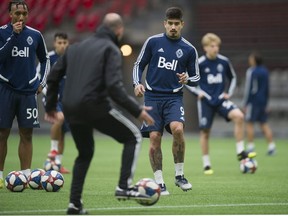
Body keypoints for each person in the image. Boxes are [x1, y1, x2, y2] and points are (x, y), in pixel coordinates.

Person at [44, 13, 154, 214]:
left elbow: (53, 76)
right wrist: (137, 110)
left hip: (70, 107)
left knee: (84, 154)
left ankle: (74, 205)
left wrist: (50, 106)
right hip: (93, 105)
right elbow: (114, 87)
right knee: (134, 137)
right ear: (119, 30)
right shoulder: (110, 49)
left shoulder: (75, 48)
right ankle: (123, 187)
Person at [132, 7, 200, 195]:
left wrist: (187, 79)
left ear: (182, 25)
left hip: (173, 97)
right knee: (155, 137)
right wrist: (137, 83)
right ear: (165, 23)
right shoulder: (153, 42)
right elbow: (139, 64)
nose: (173, 27)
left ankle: (179, 175)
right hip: (152, 97)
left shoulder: (189, 49)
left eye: (176, 24)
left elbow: (196, 78)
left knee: (178, 129)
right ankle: (159, 183)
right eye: (170, 23)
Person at [185, 33, 256, 175]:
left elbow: (233, 77)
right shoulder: (199, 63)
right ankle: (206, 164)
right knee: (205, 132)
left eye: (217, 45)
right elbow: (187, 80)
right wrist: (198, 93)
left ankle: (240, 152)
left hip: (220, 99)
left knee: (239, 116)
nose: (215, 48)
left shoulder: (224, 61)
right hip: (206, 101)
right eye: (212, 46)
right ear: (205, 48)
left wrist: (228, 93)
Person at [0, 0, 50, 189]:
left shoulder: (35, 35)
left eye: (24, 13)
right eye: (17, 13)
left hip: (28, 91)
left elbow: (45, 59)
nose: (21, 17)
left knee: (26, 133)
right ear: (9, 14)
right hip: (5, 88)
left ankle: (26, 176)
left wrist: (41, 82)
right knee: (2, 133)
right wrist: (14, 35)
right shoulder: (2, 33)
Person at [39, 32, 70, 174]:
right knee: (60, 119)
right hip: (52, 98)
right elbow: (40, 79)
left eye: (64, 43)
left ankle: (57, 163)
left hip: (67, 99)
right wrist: (50, 95)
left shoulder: (71, 58)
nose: (62, 45)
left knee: (63, 132)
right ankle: (52, 149)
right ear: (54, 43)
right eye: (59, 43)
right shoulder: (48, 58)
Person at [242, 51, 276, 155]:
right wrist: (266, 103)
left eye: (251, 58)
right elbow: (267, 89)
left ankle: (251, 147)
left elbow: (249, 89)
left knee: (249, 123)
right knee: (264, 124)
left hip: (253, 101)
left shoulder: (251, 71)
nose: (249, 60)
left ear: (254, 60)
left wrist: (245, 103)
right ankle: (271, 147)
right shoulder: (265, 71)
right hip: (263, 102)